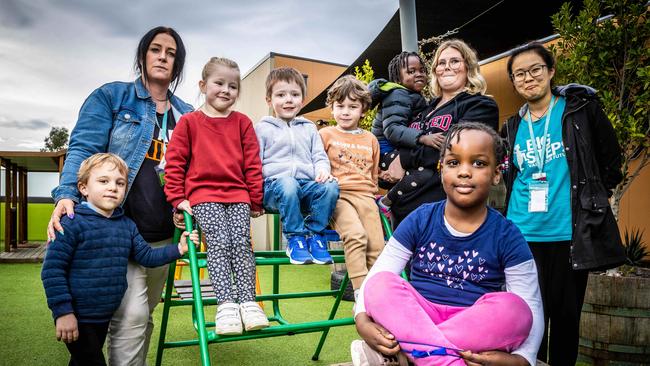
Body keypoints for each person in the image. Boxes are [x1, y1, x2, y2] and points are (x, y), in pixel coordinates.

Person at [47, 26, 194, 365]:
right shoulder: (112, 97)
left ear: (177, 64)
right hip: (120, 229)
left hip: (164, 235)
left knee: (143, 316)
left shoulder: (187, 113)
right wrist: (67, 193)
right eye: (155, 49)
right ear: (143, 56)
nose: (162, 57)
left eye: (171, 53)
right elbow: (83, 148)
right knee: (131, 317)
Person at [352, 122, 543, 366]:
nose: (464, 172)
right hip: (417, 316)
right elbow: (379, 274)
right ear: (441, 170)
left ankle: (411, 355)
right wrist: (361, 318)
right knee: (380, 284)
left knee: (516, 309)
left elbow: (531, 304)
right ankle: (445, 360)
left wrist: (523, 359)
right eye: (454, 163)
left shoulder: (507, 235)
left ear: (497, 174)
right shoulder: (421, 218)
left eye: (479, 163)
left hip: (473, 328)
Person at [502, 42, 625, 365]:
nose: (528, 78)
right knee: (528, 319)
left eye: (535, 70)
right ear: (513, 82)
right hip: (522, 235)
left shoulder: (579, 111)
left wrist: (596, 198)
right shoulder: (513, 125)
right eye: (519, 74)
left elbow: (612, 160)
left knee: (566, 318)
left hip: (568, 233)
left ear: (551, 71)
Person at [42, 153, 198, 365]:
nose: (113, 187)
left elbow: (147, 255)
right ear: (83, 188)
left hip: (104, 314)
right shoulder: (70, 223)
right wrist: (63, 312)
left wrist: (178, 249)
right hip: (78, 315)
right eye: (103, 181)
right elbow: (52, 271)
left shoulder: (126, 225)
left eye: (120, 183)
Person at [164, 57, 268, 335]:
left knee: (242, 244)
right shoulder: (189, 123)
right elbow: (175, 162)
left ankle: (248, 302)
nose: (226, 90)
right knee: (219, 243)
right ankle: (226, 305)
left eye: (233, 86)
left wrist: (256, 199)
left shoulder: (242, 123)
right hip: (204, 195)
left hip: (238, 195)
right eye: (219, 83)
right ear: (203, 85)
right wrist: (177, 197)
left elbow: (252, 164)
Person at [389, 39, 499, 228]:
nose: (447, 67)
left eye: (455, 61)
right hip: (402, 213)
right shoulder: (423, 108)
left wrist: (403, 159)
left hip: (442, 214)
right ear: (435, 71)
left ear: (468, 67)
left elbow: (456, 150)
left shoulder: (479, 105)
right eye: (441, 63)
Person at [255, 67, 339, 265]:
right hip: (274, 188)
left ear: (302, 99)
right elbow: (254, 163)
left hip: (304, 187)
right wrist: (254, 199)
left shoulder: (309, 128)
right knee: (288, 183)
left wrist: (322, 171)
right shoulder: (262, 128)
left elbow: (319, 156)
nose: (288, 100)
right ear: (269, 100)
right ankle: (295, 238)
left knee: (331, 186)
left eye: (294, 94)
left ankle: (315, 235)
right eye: (281, 95)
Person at [319, 75, 385, 302]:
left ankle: (376, 295)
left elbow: (373, 172)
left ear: (363, 110)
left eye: (352, 106)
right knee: (356, 235)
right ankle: (360, 292)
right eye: (340, 106)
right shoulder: (325, 134)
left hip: (366, 196)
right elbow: (317, 164)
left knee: (377, 247)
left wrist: (374, 192)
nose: (345, 111)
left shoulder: (370, 139)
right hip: (339, 195)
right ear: (332, 108)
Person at [368, 52, 429, 216]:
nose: (419, 74)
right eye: (411, 71)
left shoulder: (413, 95)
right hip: (385, 152)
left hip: (395, 148)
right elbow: (393, 129)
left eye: (422, 70)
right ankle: (386, 201)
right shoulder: (398, 94)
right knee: (424, 172)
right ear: (397, 77)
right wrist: (422, 137)